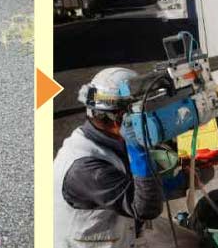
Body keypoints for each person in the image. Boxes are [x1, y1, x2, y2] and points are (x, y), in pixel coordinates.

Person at [54, 67, 163, 247]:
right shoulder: (85, 169)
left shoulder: (106, 139)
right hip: (90, 242)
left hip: (119, 230)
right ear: (120, 118)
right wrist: (139, 149)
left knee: (190, 241)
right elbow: (147, 208)